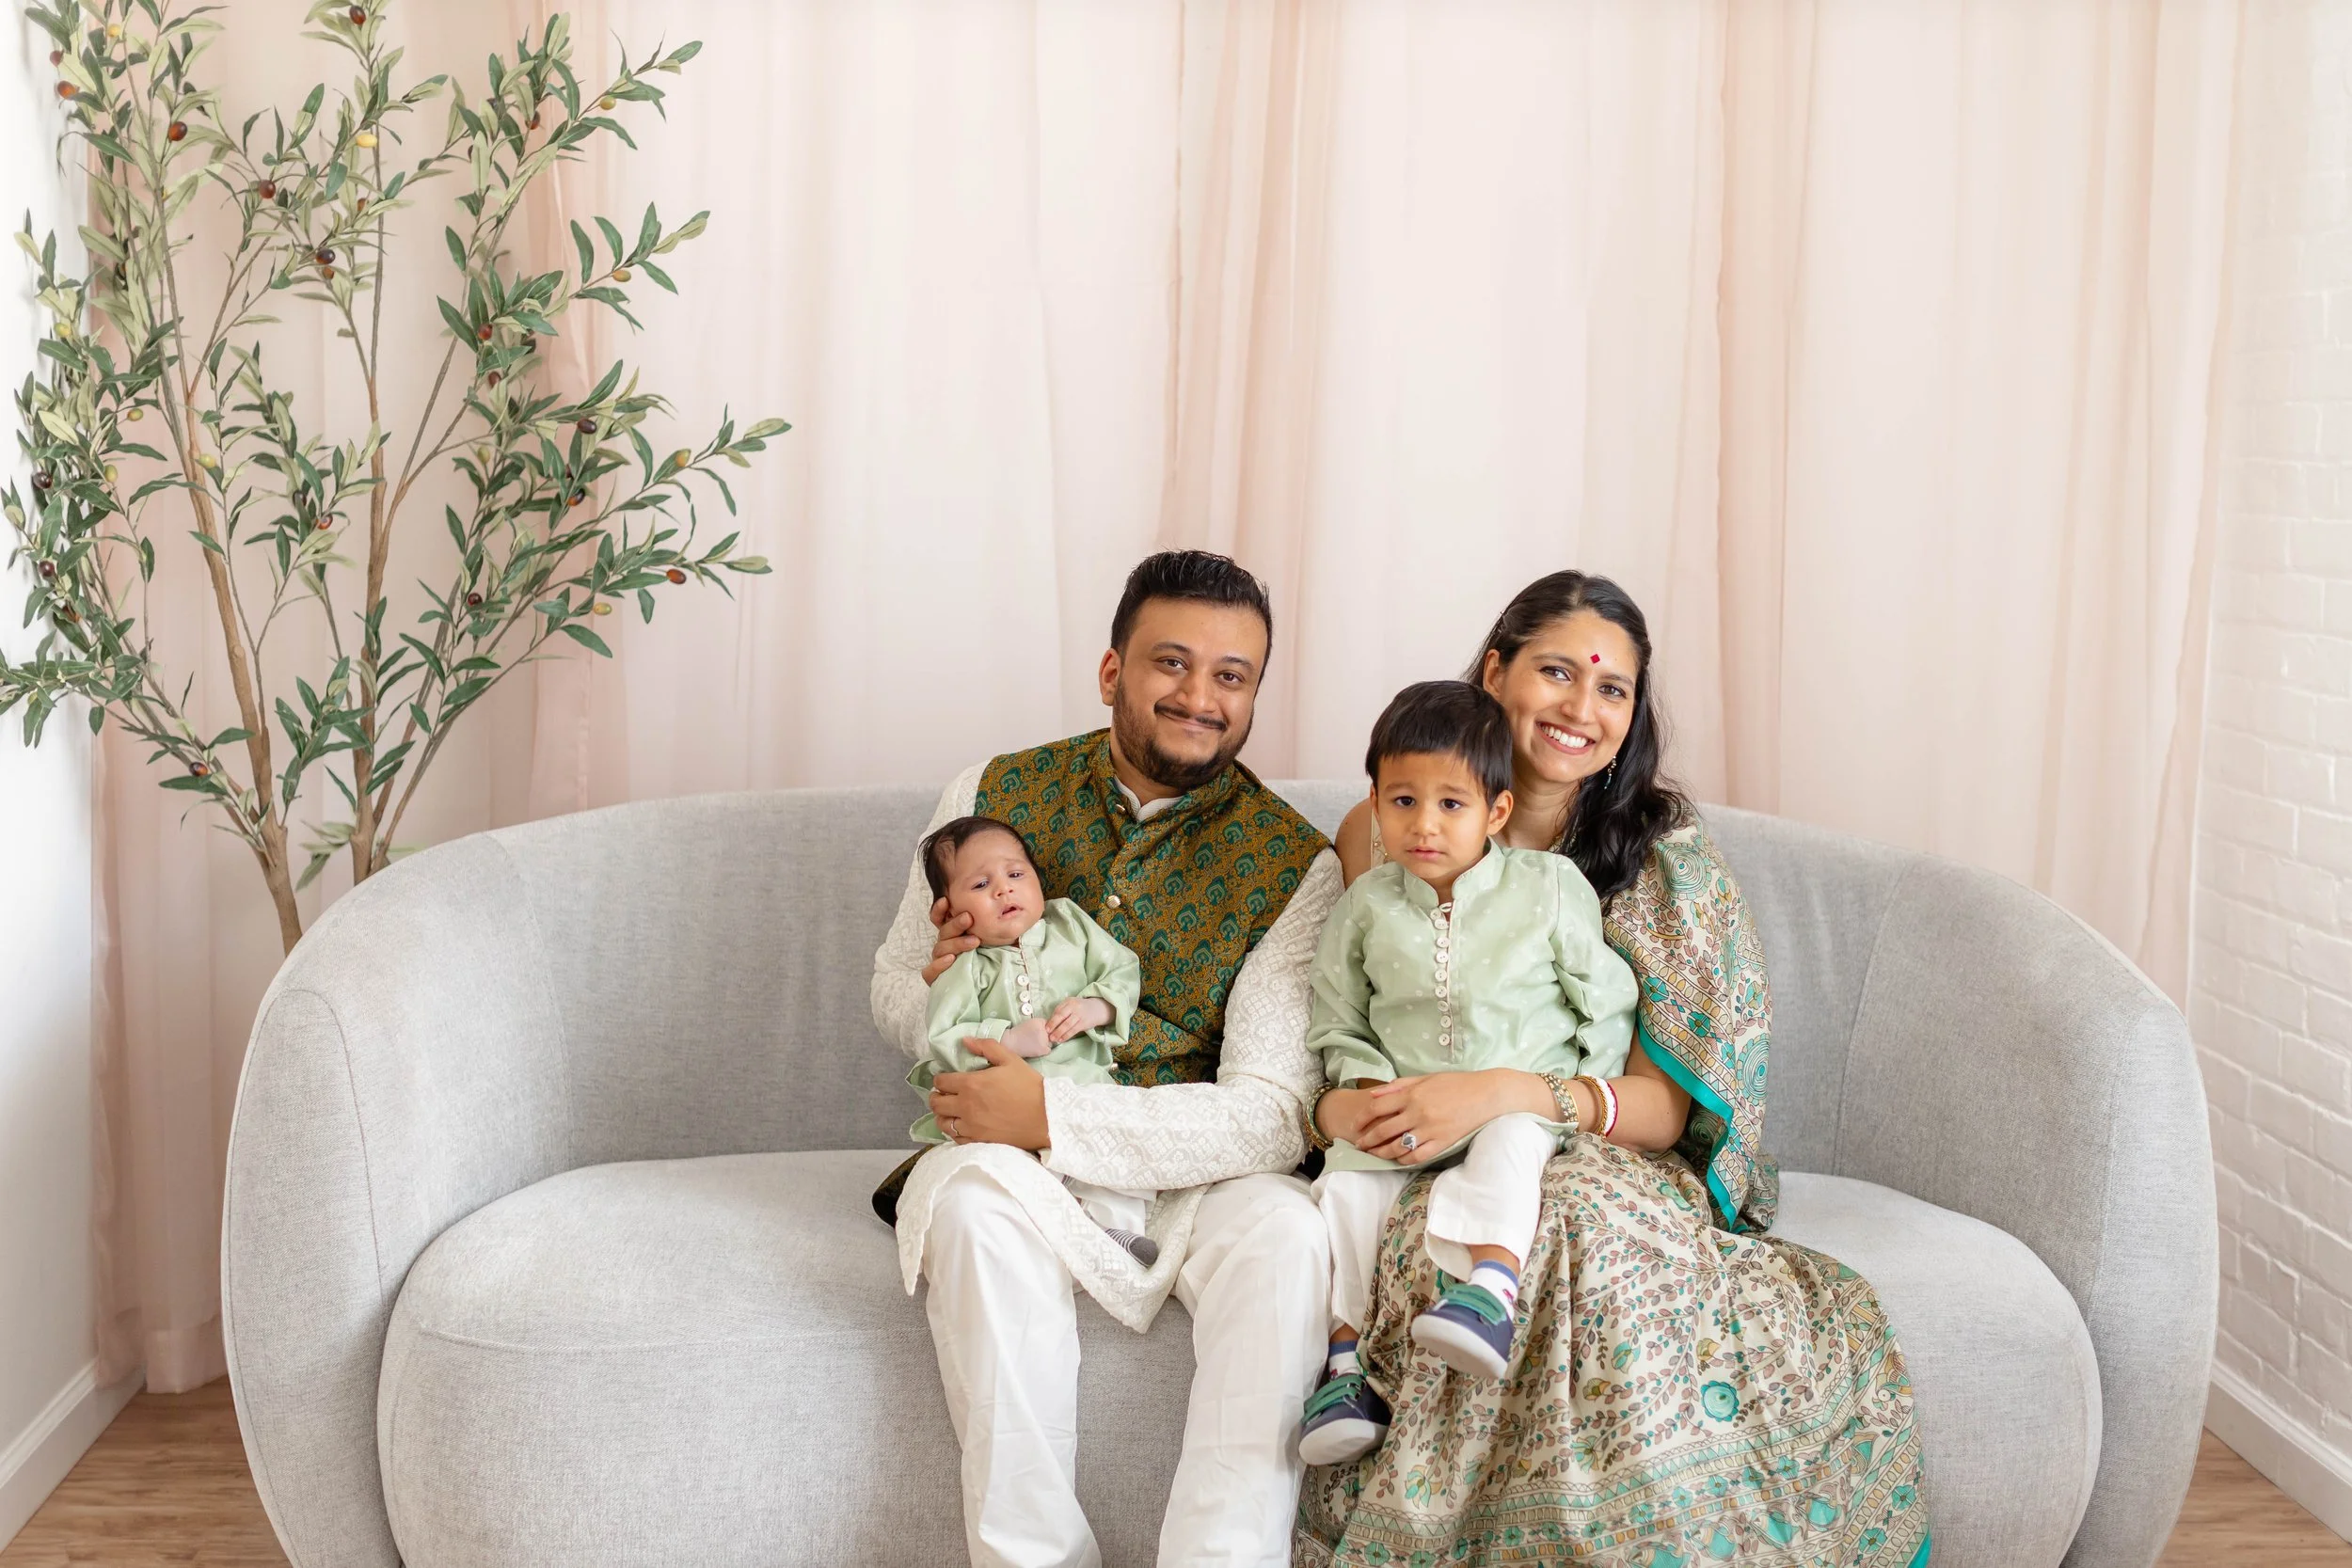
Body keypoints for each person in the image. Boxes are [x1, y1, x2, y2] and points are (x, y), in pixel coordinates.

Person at [1295, 571, 1931, 1568]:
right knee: (1414, 1223)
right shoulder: (1386, 827)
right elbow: (1341, 1003)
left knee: (1569, 1222)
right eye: (1556, 671)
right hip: (1418, 1142)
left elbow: (1663, 1111)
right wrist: (1345, 1102)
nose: (1580, 708)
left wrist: (1507, 1093)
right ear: (1496, 670)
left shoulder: (1659, 856)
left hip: (1600, 1146)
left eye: (1611, 689)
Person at [871, 549, 1340, 1568]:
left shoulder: (1295, 861)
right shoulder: (990, 790)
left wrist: (1051, 1115)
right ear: (1110, 670)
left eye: (1232, 675)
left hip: (1193, 1174)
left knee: (1291, 1239)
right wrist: (936, 997)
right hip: (1009, 1167)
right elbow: (895, 992)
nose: (1199, 697)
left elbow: (1269, 1111)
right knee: (963, 1202)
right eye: (1171, 663)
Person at [1296, 680, 1636, 1466]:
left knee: (1514, 1137)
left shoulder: (1547, 891)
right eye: (1403, 800)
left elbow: (1607, 1004)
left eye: (1452, 804)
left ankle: (1487, 1291)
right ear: (1374, 802)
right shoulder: (1368, 907)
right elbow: (1337, 1017)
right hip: (1401, 1113)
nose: (1424, 824)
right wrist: (1365, 1093)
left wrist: (1577, 1093)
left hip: (1518, 1104)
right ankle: (1347, 1365)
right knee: (1343, 1187)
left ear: (1497, 812)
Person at [906, 814, 1159, 1264]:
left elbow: (1121, 971)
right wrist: (1008, 1039)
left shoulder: (1071, 926)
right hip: (998, 1110)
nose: (1003, 889)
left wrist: (1093, 1008)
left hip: (1083, 1090)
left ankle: (1112, 1233)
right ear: (951, 910)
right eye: (981, 885)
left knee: (1113, 1156)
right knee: (1008, 1179)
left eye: (1016, 875)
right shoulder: (966, 964)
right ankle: (1054, 1238)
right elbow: (945, 1035)